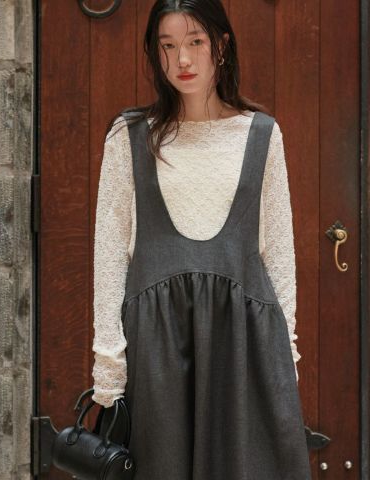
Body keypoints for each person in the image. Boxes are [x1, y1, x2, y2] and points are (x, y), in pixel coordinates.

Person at [91, 0, 312, 478]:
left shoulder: (261, 135)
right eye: (168, 46)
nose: (183, 60)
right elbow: (109, 256)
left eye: (195, 42)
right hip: (157, 347)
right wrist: (109, 364)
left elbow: (279, 254)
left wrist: (285, 357)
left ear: (221, 46)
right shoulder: (130, 137)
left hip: (242, 344)